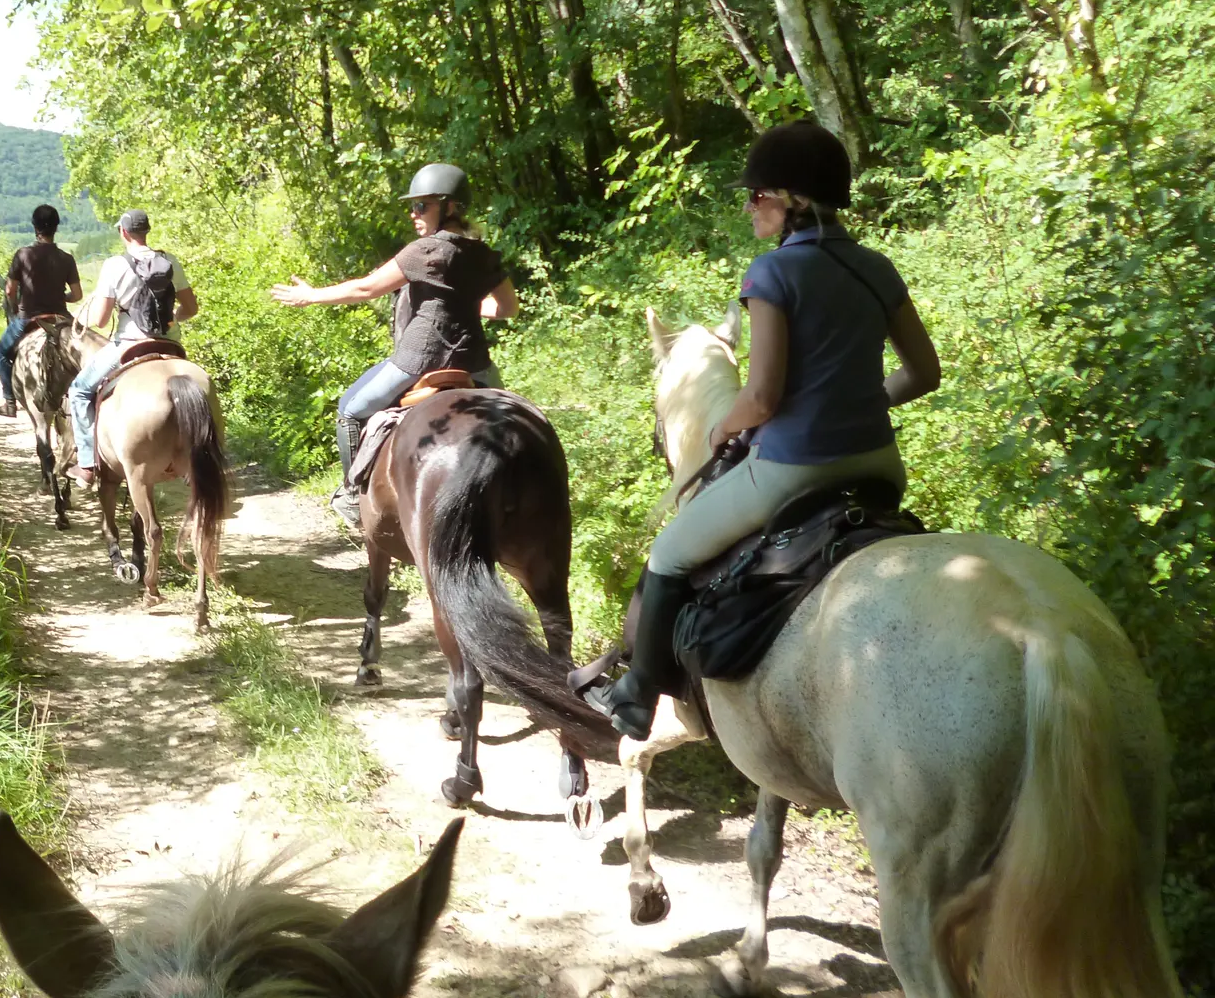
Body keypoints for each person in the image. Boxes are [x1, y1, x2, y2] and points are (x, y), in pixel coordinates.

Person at [583, 120, 943, 741]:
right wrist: (857, 403)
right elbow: (925, 372)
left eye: (758, 194)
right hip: (882, 467)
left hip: (793, 468)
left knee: (669, 554)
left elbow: (763, 394)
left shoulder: (771, 275)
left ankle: (638, 694)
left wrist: (727, 423)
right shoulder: (876, 268)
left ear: (794, 201)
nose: (749, 205)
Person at [270, 163, 520, 526]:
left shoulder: (425, 250)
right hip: (475, 363)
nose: (413, 213)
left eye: (422, 206)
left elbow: (365, 288)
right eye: (414, 206)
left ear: (449, 207)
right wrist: (462, 303)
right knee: (511, 421)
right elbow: (508, 307)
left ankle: (353, 495)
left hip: (418, 359)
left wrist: (310, 296)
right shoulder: (484, 253)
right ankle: (512, 499)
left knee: (350, 410)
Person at [65, 209, 198, 486]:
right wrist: (173, 317)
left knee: (78, 391)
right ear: (146, 231)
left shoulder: (115, 265)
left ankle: (88, 465)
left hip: (129, 343)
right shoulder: (169, 260)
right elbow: (191, 308)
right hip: (170, 343)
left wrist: (83, 316)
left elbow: (101, 321)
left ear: (124, 233)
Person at [0, 204, 83, 417]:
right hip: (61, 318)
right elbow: (77, 295)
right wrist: (60, 296)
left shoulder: (23, 254)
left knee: (1, 353)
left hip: (28, 318)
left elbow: (9, 290)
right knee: (82, 354)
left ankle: (9, 402)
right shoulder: (66, 258)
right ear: (56, 228)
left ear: (35, 228)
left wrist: (16, 308)